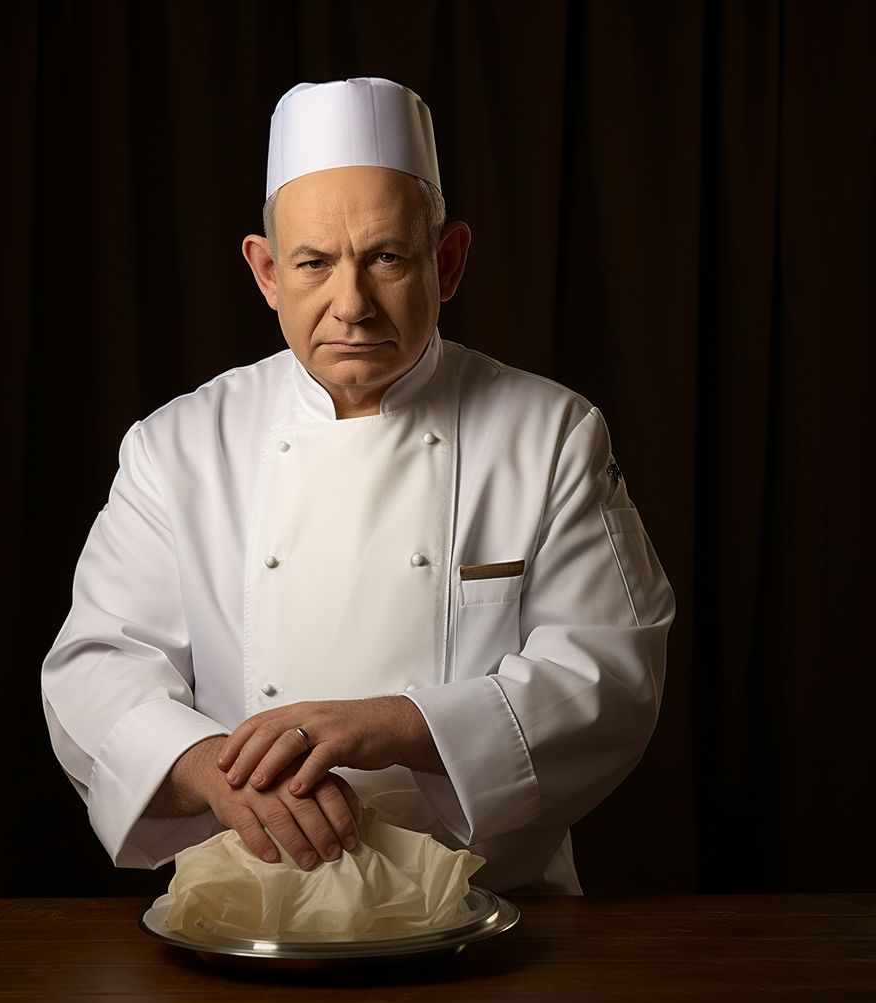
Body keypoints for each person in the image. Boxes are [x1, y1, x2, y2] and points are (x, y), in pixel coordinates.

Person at [41, 78, 674, 894]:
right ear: (267, 273)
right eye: (314, 263)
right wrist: (204, 768)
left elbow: (610, 673)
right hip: (251, 908)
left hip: (497, 916)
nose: (353, 304)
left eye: (387, 257)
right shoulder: (176, 446)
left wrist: (404, 724)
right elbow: (97, 670)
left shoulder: (551, 434)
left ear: (446, 263)